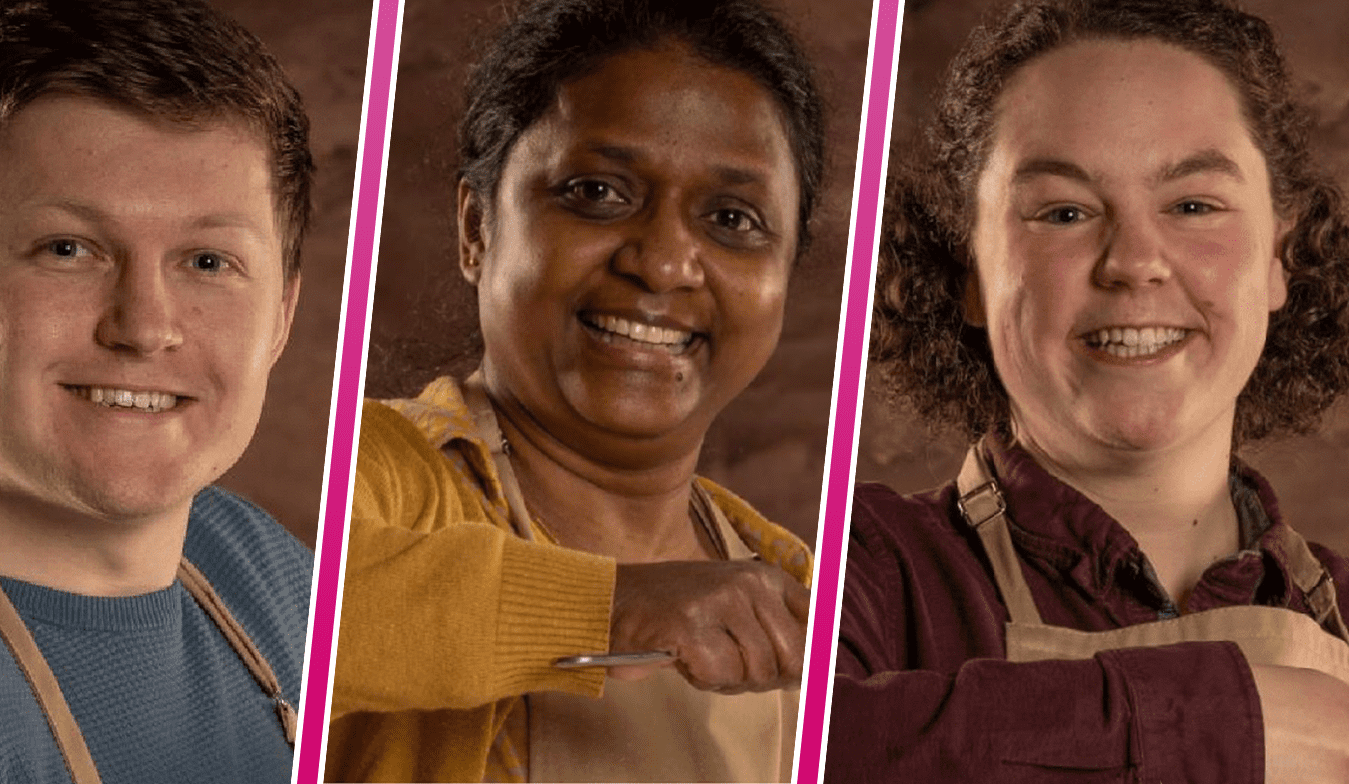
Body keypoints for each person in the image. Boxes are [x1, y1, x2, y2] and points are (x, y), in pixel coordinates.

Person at [828, 0, 1349, 781]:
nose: (1134, 262)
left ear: (1280, 254)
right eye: (1064, 212)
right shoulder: (854, 566)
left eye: (1193, 205)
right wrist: (1224, 724)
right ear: (968, 270)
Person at [324, 0, 828, 780]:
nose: (663, 263)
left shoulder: (795, 588)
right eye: (596, 192)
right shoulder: (372, 466)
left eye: (732, 219)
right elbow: (284, 609)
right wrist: (608, 606)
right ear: (476, 228)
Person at [0, 0, 315, 781]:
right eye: (67, 249)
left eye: (207, 262)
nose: (145, 327)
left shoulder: (268, 573)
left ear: (281, 317)